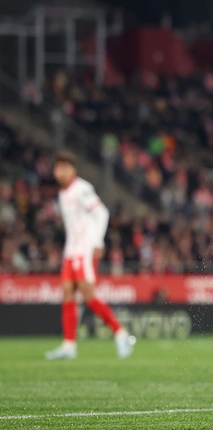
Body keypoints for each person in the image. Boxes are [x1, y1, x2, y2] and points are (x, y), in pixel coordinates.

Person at [45, 152, 136, 360]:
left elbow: (102, 213)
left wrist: (97, 242)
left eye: (64, 167)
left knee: (87, 295)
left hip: (85, 250)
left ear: (72, 170)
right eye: (57, 168)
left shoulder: (81, 189)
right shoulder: (62, 193)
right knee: (67, 293)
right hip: (71, 250)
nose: (60, 172)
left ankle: (120, 333)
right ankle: (69, 345)